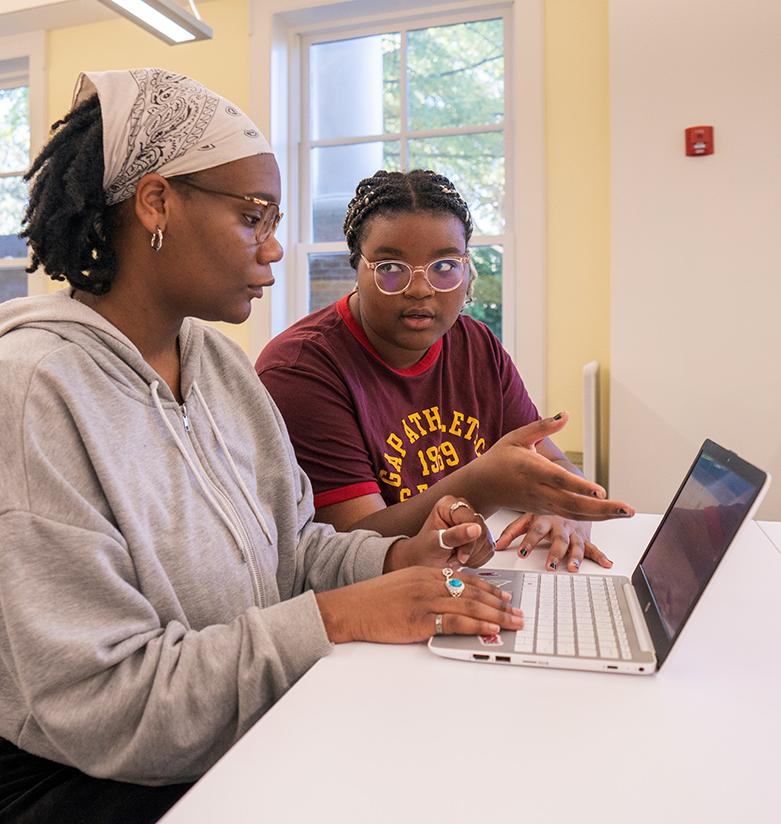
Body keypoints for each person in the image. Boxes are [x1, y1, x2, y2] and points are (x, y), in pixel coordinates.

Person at [0, 70, 522, 824]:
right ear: (157, 203)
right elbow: (104, 703)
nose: (275, 249)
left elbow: (293, 549)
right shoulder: (28, 398)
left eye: (274, 223)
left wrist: (398, 562)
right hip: (54, 787)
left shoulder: (216, 367)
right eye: (253, 217)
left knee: (424, 821)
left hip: (209, 723)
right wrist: (339, 618)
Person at [256, 169, 634, 572]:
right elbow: (352, 548)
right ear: (356, 268)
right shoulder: (301, 370)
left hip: (462, 576)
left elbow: (556, 467)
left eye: (444, 266)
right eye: (390, 268)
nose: (420, 288)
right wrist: (483, 485)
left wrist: (564, 511)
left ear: (466, 268)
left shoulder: (476, 345)